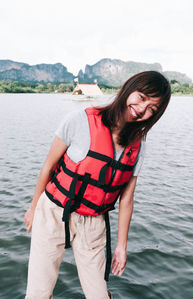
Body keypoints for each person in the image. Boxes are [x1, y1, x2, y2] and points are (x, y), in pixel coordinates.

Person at [24, 71, 171, 299]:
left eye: (152, 108)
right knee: (38, 293)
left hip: (93, 223)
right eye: (141, 97)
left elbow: (127, 199)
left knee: (98, 295)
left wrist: (121, 247)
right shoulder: (78, 120)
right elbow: (48, 168)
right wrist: (33, 208)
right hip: (52, 212)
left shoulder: (138, 147)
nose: (142, 109)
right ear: (128, 89)